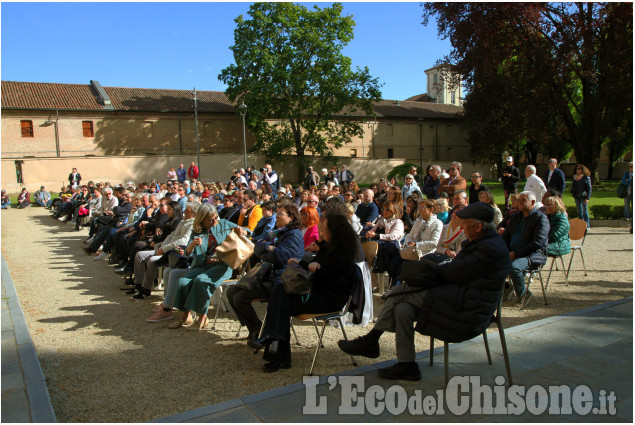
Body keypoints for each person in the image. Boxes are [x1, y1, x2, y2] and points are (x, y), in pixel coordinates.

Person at [337, 202, 512, 380]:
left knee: (402, 291)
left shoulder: (488, 249)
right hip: (461, 296)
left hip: (468, 308)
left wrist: (427, 272)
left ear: (478, 226)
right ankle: (407, 365)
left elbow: (453, 273)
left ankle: (371, 340)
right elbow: (456, 271)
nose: (461, 227)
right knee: (402, 309)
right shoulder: (483, 242)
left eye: (464, 224)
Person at [255, 212, 360, 372]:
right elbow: (317, 268)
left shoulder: (343, 253)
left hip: (329, 299)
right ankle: (275, 345)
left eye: (326, 230)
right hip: (317, 292)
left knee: (281, 301)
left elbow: (323, 274)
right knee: (280, 292)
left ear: (336, 232)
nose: (322, 232)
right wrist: (304, 262)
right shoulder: (328, 247)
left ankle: (274, 346)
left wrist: (308, 264)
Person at [228, 203, 304, 346]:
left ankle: (257, 329)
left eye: (281, 214)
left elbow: (279, 257)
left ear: (291, 217)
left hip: (281, 280)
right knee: (231, 291)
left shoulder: (293, 235)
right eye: (277, 213)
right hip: (267, 275)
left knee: (240, 298)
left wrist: (266, 252)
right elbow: (258, 247)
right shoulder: (278, 232)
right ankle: (255, 326)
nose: (277, 216)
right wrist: (267, 248)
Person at [169, 204, 245, 330]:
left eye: (215, 217)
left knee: (201, 280)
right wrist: (192, 244)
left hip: (222, 266)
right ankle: (185, 315)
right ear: (202, 219)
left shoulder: (224, 224)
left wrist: (241, 231)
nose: (214, 221)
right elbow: (187, 253)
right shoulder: (197, 231)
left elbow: (247, 231)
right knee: (183, 281)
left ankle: (203, 317)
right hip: (203, 265)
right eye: (210, 219)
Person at [501, 192, 549, 308]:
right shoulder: (515, 217)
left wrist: (515, 254)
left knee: (514, 267)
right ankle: (508, 287)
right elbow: (506, 236)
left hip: (533, 254)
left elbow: (537, 243)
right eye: (519, 200)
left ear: (532, 202)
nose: (520, 202)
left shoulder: (541, 219)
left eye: (523, 200)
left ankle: (523, 294)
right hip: (513, 252)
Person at [389, 199, 443, 287]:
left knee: (403, 266)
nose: (420, 210)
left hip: (424, 254)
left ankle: (398, 287)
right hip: (412, 251)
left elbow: (434, 243)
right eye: (420, 207)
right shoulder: (418, 221)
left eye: (423, 208)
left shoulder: (437, 224)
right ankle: (393, 286)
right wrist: (409, 242)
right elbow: (409, 235)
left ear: (431, 209)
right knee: (394, 262)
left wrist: (417, 245)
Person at [571, 164, 592, 229]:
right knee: (579, 211)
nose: (578, 170)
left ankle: (587, 225)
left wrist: (587, 198)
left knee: (584, 211)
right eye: (577, 169)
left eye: (579, 169)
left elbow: (589, 188)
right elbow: (573, 187)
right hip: (577, 196)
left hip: (583, 196)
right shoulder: (575, 177)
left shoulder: (586, 178)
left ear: (582, 170)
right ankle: (581, 224)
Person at [622, 162, 633, 233]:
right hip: (627, 192)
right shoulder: (626, 173)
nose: (630, 167)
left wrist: (628, 180)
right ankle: (627, 216)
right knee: (626, 204)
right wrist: (629, 181)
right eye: (629, 166)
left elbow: (629, 181)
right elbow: (623, 181)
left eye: (632, 166)